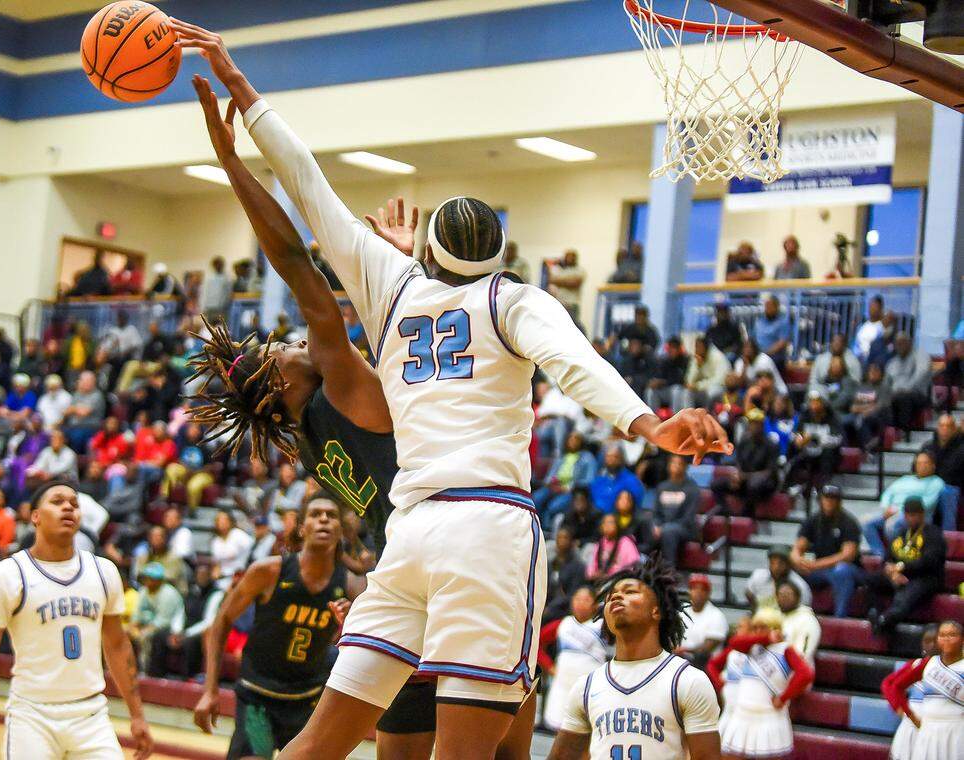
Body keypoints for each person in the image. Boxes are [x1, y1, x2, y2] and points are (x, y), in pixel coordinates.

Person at [174, 30, 729, 759]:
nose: (295, 345)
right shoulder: (509, 299)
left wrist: (244, 100)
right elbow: (573, 361)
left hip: (408, 538)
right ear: (498, 259)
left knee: (315, 747)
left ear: (426, 256)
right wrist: (648, 424)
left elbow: (309, 192)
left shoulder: (394, 292)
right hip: (486, 532)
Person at [0, 481, 154, 760]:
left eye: (74, 504)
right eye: (57, 501)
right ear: (35, 516)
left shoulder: (104, 572)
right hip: (32, 716)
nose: (68, 507)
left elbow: (117, 646)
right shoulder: (7, 576)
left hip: (91, 715)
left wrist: (137, 715)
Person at [194, 494, 364, 758]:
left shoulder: (353, 586)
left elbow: (367, 645)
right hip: (258, 696)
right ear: (300, 527)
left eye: (331, 516)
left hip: (307, 699)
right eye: (315, 514)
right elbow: (220, 623)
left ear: (340, 530)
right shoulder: (268, 571)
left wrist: (350, 624)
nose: (323, 520)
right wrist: (210, 691)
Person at [548, 558, 722, 760]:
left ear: (656, 610)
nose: (616, 597)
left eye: (629, 592)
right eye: (611, 596)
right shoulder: (586, 687)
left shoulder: (687, 681)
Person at [708, 608, 814, 760]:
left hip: (768, 717)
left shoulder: (785, 649)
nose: (758, 631)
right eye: (755, 628)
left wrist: (784, 697)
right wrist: (766, 638)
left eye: (763, 628)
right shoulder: (751, 646)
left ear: (775, 628)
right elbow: (734, 642)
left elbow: (806, 674)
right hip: (742, 715)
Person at [864, 497, 946, 634]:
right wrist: (892, 572)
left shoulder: (933, 534)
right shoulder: (902, 533)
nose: (910, 518)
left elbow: (930, 561)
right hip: (901, 575)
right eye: (907, 515)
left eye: (914, 515)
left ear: (922, 515)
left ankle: (886, 620)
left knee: (906, 592)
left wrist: (902, 568)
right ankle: (874, 612)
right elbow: (888, 558)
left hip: (926, 578)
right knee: (870, 580)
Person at [885, 620, 963, 760]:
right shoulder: (926, 664)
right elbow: (893, 685)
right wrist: (907, 713)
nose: (946, 639)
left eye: (952, 635)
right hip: (926, 728)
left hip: (956, 729)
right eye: (942, 635)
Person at [790, 484, 864, 618]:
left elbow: (847, 555)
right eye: (826, 498)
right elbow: (799, 546)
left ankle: (840, 617)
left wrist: (815, 565)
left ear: (839, 501)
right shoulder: (813, 520)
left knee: (841, 571)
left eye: (833, 499)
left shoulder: (848, 522)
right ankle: (794, 613)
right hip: (820, 569)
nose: (829, 502)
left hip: (849, 569)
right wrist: (797, 559)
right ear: (820, 500)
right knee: (788, 567)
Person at [539, 586, 607, 731]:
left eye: (586, 600)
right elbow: (536, 642)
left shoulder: (604, 626)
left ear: (595, 604)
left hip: (591, 687)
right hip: (562, 684)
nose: (581, 603)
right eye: (578, 599)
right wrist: (549, 666)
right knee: (558, 727)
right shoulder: (563, 624)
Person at [867, 451, 946, 556]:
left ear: (933, 465)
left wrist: (899, 511)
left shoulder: (936, 482)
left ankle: (895, 555)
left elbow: (927, 504)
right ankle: (880, 554)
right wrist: (886, 507)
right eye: (919, 463)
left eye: (925, 463)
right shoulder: (905, 479)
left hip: (915, 515)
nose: (922, 466)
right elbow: (887, 493)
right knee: (867, 523)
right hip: (892, 511)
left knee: (892, 524)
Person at [880, 624, 940, 760]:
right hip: (913, 726)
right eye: (927, 641)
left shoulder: (954, 669)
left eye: (934, 641)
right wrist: (902, 709)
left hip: (937, 728)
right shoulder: (916, 664)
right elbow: (888, 684)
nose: (931, 645)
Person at [712, 409, 779, 516]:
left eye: (756, 423)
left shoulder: (771, 445)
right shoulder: (744, 442)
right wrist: (736, 476)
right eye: (751, 423)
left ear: (762, 425)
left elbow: (769, 472)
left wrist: (746, 477)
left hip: (763, 484)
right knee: (716, 484)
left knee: (754, 485)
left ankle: (747, 516)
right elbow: (739, 462)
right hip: (744, 480)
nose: (753, 426)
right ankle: (724, 510)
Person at [128, 562, 186, 673]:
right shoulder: (144, 591)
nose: (147, 581)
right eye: (147, 578)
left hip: (170, 628)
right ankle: (128, 670)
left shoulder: (168, 594)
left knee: (147, 637)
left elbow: (163, 621)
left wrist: (143, 632)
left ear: (159, 580)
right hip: (148, 624)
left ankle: (147, 672)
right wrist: (133, 627)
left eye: (151, 578)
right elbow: (137, 614)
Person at [533, 432, 597, 525]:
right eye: (570, 439)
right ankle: (533, 525)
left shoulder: (587, 457)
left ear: (581, 442)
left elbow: (589, 479)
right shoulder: (561, 457)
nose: (573, 441)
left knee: (553, 507)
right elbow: (550, 475)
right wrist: (550, 483)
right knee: (536, 499)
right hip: (554, 487)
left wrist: (569, 488)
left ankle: (546, 531)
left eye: (576, 439)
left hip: (571, 491)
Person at [787, 392, 843, 497]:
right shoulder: (805, 415)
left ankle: (823, 486)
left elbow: (838, 439)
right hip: (807, 451)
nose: (814, 406)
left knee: (829, 453)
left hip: (825, 453)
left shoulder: (832, 417)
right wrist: (799, 439)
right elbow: (795, 434)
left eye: (817, 402)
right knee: (793, 449)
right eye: (812, 402)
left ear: (824, 404)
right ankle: (795, 484)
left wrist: (815, 438)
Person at [652, 455, 700, 565]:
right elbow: (656, 512)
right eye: (673, 463)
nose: (675, 466)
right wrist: (656, 525)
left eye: (679, 464)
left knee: (669, 531)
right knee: (647, 527)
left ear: (685, 467)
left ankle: (669, 569)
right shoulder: (662, 487)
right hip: (664, 526)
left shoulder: (692, 488)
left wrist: (663, 527)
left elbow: (688, 517)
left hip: (685, 528)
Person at [675, 574, 728, 670]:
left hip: (704, 665)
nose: (698, 592)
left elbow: (705, 650)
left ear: (708, 593)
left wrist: (682, 650)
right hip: (678, 660)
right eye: (694, 588)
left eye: (702, 589)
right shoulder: (682, 610)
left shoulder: (717, 616)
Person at [886, 333, 933, 430]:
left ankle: (904, 431)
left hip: (919, 394)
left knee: (903, 397)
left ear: (910, 343)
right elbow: (886, 383)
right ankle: (890, 431)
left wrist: (905, 389)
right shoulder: (892, 363)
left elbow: (921, 374)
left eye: (903, 343)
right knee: (884, 399)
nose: (900, 346)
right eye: (897, 343)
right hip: (896, 394)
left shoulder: (920, 356)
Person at [745, 545, 811, 613]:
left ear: (789, 565)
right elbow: (749, 593)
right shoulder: (758, 576)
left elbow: (804, 612)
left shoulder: (800, 586)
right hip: (761, 618)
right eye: (772, 562)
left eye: (781, 563)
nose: (775, 567)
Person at [844, 362, 891, 448]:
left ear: (881, 374)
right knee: (844, 421)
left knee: (864, 419)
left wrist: (865, 410)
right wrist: (867, 407)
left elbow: (880, 406)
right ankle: (846, 448)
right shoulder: (861, 387)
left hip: (877, 417)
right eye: (871, 371)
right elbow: (853, 407)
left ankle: (869, 447)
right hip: (858, 414)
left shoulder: (884, 388)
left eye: (876, 371)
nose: (873, 373)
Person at [776, 581, 820, 664]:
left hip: (797, 671)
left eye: (788, 594)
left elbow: (803, 656)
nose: (784, 598)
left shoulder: (808, 620)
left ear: (798, 597)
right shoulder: (774, 616)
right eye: (781, 594)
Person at [586, 514, 640, 580]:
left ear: (617, 525)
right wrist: (594, 574)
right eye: (605, 523)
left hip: (620, 581)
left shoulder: (626, 542)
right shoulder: (599, 544)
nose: (608, 525)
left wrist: (612, 575)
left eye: (611, 522)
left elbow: (634, 564)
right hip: (600, 582)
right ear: (601, 527)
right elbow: (590, 568)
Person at [684, 336, 730, 410]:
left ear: (706, 347)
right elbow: (689, 382)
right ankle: (687, 418)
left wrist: (699, 386)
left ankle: (708, 416)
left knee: (711, 392)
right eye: (696, 346)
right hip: (702, 389)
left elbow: (720, 380)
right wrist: (697, 367)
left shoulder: (717, 356)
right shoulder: (696, 358)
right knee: (687, 393)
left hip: (720, 389)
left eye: (699, 346)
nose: (697, 349)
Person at [646, 337, 689, 411]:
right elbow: (659, 376)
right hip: (666, 390)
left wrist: (663, 382)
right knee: (650, 391)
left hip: (681, 391)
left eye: (674, 348)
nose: (671, 350)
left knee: (676, 389)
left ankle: (675, 418)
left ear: (679, 349)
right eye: (670, 348)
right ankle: (653, 418)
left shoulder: (685, 360)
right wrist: (654, 382)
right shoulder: (664, 361)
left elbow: (682, 380)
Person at [923, 414, 964, 489]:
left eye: (948, 426)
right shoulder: (927, 447)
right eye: (941, 425)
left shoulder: (961, 450)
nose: (945, 429)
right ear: (937, 427)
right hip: (927, 488)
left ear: (955, 429)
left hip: (954, 490)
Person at [547, 249, 585, 323]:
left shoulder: (579, 270)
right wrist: (568, 280)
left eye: (571, 257)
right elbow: (551, 280)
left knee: (573, 326)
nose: (569, 259)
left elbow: (575, 283)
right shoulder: (559, 269)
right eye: (567, 256)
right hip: (560, 304)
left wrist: (559, 281)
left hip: (572, 305)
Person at [753, 294, 791, 367]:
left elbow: (781, 343)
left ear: (777, 307)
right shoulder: (760, 320)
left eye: (770, 306)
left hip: (774, 358)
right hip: (758, 356)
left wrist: (764, 354)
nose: (767, 309)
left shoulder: (783, 322)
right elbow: (753, 338)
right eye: (766, 306)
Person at [201, 256, 234, 321]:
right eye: (216, 264)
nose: (218, 266)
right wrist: (203, 307)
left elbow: (229, 294)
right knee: (210, 328)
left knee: (222, 327)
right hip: (210, 307)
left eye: (220, 264)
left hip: (223, 309)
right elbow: (204, 293)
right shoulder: (209, 278)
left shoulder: (227, 278)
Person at [853, 295, 885, 362]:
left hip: (874, 361)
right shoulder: (862, 327)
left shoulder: (882, 327)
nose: (872, 309)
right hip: (859, 360)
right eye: (870, 306)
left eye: (875, 306)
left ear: (880, 308)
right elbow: (856, 346)